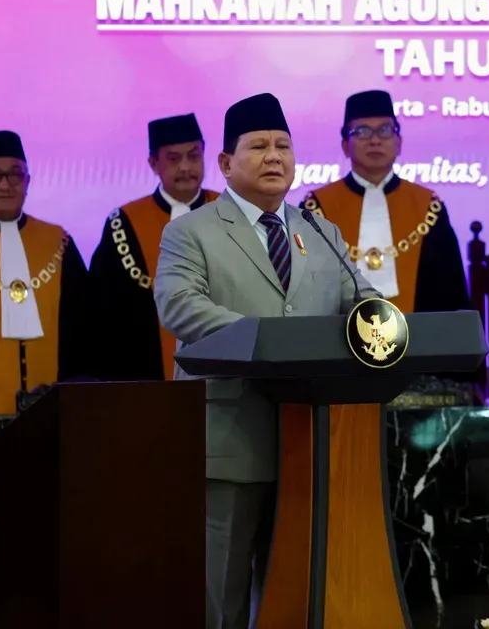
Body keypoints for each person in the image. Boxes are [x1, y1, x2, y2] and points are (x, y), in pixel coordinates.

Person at [154, 93, 379, 629]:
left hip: (309, 439)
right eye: (258, 146)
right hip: (231, 436)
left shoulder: (320, 231)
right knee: (224, 594)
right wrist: (268, 343)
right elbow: (180, 307)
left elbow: (361, 298)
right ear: (227, 164)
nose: (274, 156)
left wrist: (385, 324)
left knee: (294, 592)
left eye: (283, 145)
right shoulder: (190, 231)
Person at [300, 90, 469, 315]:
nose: (375, 140)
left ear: (398, 143)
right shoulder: (316, 208)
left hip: (420, 340)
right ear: (344, 146)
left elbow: (450, 294)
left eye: (385, 130)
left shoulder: (429, 207)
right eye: (362, 131)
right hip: (336, 339)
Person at [89, 114, 219, 381]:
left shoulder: (228, 212)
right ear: (153, 163)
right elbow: (105, 314)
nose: (185, 167)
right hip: (145, 376)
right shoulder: (123, 224)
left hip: (223, 372)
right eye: (173, 159)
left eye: (193, 156)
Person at [0, 130, 90, 414]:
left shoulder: (58, 243)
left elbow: (85, 330)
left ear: (28, 182)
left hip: (55, 415)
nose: (5, 185)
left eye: (15, 174)